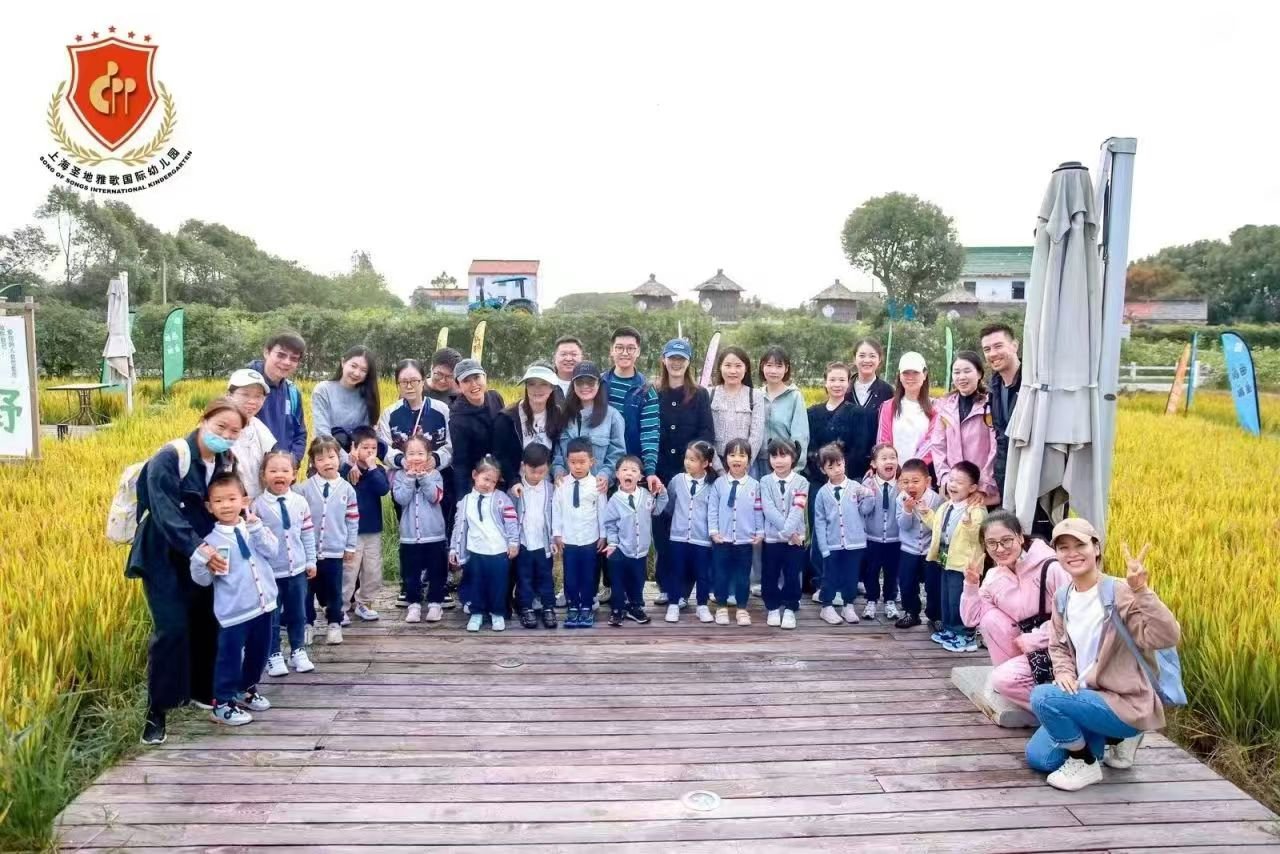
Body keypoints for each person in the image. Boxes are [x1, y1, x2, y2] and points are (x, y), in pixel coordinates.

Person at [1026, 519, 1180, 792]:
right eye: (1063, 548)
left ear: (1096, 548)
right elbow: (1058, 646)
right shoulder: (1063, 596)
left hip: (1125, 701)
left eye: (1080, 545)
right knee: (1040, 758)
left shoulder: (1119, 591)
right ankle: (1111, 740)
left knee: (1043, 697)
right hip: (1087, 696)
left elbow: (1166, 637)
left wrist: (1142, 591)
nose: (1072, 553)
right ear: (1057, 554)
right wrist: (1063, 672)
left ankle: (1085, 761)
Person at [127, 398, 244, 745]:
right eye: (221, 427)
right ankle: (156, 712)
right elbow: (165, 513)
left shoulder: (225, 460)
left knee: (208, 622)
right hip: (164, 556)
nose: (226, 435)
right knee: (172, 630)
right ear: (203, 419)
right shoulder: (170, 457)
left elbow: (227, 500)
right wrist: (198, 548)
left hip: (205, 554)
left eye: (234, 431)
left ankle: (202, 692)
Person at [190, 472, 278, 727]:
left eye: (231, 499)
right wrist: (200, 560)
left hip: (263, 606)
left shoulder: (254, 528)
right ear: (210, 507)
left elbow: (272, 551)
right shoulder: (210, 542)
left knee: (259, 653)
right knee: (228, 659)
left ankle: (245, 688)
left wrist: (257, 529)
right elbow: (202, 581)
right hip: (234, 613)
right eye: (218, 501)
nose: (226, 505)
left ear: (244, 501)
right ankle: (222, 703)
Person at [960, 511, 1067, 710]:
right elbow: (971, 619)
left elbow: (1074, 618)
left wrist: (1037, 639)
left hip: (1059, 649)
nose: (1000, 549)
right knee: (990, 619)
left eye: (1006, 540)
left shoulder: (1051, 568)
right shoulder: (994, 576)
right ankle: (1018, 684)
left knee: (1003, 680)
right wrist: (971, 584)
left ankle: (1062, 712)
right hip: (1027, 650)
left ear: (1020, 537)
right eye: (992, 543)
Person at [653, 338, 714, 607]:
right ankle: (666, 586)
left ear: (689, 362)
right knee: (663, 531)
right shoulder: (653, 392)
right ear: (664, 360)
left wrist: (695, 462)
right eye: (672, 358)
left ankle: (685, 590)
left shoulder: (699, 394)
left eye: (681, 359)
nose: (676, 363)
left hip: (690, 473)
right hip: (660, 473)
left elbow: (706, 432)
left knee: (690, 530)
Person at [252, 449, 316, 679]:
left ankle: (298, 650)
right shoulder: (258, 506)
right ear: (263, 475)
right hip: (270, 572)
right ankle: (274, 654)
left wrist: (311, 560)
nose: (279, 475)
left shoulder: (300, 502)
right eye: (273, 470)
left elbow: (307, 534)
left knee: (298, 612)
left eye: (285, 470)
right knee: (272, 616)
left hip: (297, 570)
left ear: (294, 474)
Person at [294, 436, 359, 646]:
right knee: (307, 590)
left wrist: (350, 546)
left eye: (331, 457)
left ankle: (334, 623)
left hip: (334, 550)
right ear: (313, 462)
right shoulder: (303, 489)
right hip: (308, 552)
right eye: (320, 459)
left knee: (333, 589)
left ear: (339, 457)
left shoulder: (347, 489)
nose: (327, 462)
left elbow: (352, 520)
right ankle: (307, 624)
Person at [805, 361, 861, 593]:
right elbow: (808, 447)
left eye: (842, 380)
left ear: (848, 383)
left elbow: (859, 449)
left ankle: (843, 583)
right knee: (820, 531)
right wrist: (823, 471)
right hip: (818, 482)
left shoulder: (857, 413)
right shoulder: (812, 413)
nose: (837, 384)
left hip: (846, 483)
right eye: (833, 379)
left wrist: (840, 474)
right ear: (825, 382)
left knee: (844, 531)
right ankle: (821, 581)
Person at [449, 456, 520, 633]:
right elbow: (459, 527)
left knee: (498, 584)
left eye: (493, 481)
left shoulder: (501, 499)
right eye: (486, 479)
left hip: (498, 551)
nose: (488, 484)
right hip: (476, 551)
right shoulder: (465, 501)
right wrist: (454, 549)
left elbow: (511, 521)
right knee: (476, 582)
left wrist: (513, 542)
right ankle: (477, 613)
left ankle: (497, 613)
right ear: (475, 475)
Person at [922, 460, 987, 652]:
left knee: (960, 599)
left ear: (972, 488)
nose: (952, 485)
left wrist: (968, 524)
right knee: (947, 598)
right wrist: (925, 513)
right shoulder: (946, 506)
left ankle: (965, 634)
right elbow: (936, 526)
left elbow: (978, 537)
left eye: (959, 482)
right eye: (950, 480)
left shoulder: (976, 510)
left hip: (964, 566)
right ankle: (950, 629)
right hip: (946, 560)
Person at [925, 351, 999, 505]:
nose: (961, 377)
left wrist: (983, 486)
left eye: (967, 371)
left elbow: (995, 448)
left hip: (981, 492)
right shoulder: (945, 406)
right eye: (957, 372)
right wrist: (945, 479)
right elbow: (938, 446)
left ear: (979, 374)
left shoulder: (990, 406)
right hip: (953, 490)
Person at [813, 442, 874, 626]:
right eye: (831, 467)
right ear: (823, 470)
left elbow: (865, 510)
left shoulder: (855, 486)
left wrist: (869, 495)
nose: (837, 470)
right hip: (832, 544)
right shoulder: (822, 493)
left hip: (855, 542)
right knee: (830, 576)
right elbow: (819, 522)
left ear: (844, 462)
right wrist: (823, 547)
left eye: (839, 464)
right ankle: (827, 606)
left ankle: (848, 605)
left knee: (851, 576)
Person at [603, 455, 668, 626]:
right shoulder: (615, 500)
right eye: (624, 470)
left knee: (638, 581)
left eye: (633, 470)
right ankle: (617, 610)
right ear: (617, 474)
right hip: (620, 549)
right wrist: (612, 543)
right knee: (618, 582)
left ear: (640, 477)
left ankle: (635, 607)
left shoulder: (646, 496)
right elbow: (610, 524)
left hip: (640, 550)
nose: (628, 473)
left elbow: (657, 509)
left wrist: (662, 492)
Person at [553, 438, 609, 629]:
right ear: (567, 461)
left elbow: (602, 511)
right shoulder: (561, 484)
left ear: (591, 462)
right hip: (569, 538)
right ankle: (573, 606)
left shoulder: (597, 485)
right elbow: (556, 509)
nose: (577, 466)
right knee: (570, 575)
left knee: (588, 575)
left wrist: (603, 535)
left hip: (589, 538)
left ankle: (586, 606)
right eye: (573, 462)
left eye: (582, 462)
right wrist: (557, 533)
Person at [391, 435, 448, 624]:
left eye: (420, 453)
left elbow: (435, 497)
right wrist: (409, 479)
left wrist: (424, 478)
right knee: (411, 574)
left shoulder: (435, 475)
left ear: (429, 455)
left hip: (434, 536)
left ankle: (435, 604)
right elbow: (401, 499)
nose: (416, 458)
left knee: (437, 571)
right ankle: (413, 604)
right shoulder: (400, 476)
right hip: (409, 537)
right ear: (405, 457)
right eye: (411, 454)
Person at [708, 438, 764, 626]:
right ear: (726, 459)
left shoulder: (754, 485)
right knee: (721, 574)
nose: (737, 459)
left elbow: (758, 510)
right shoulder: (719, 484)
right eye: (732, 455)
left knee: (743, 575)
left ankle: (742, 608)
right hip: (722, 539)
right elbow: (712, 509)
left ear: (749, 459)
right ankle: (721, 607)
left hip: (744, 540)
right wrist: (714, 531)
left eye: (742, 455)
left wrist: (759, 531)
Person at [663, 440, 717, 624]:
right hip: (678, 537)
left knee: (702, 573)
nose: (687, 462)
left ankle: (702, 605)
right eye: (687, 458)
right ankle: (673, 604)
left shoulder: (713, 485)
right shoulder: (677, 481)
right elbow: (670, 506)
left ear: (705, 463)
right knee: (676, 571)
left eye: (693, 460)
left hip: (702, 539)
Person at [603, 326, 661, 493]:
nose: (625, 353)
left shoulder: (645, 390)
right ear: (612, 350)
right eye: (619, 348)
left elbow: (650, 433)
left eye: (630, 348)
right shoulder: (599, 385)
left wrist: (649, 471)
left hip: (631, 469)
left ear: (638, 352)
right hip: (601, 466)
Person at [339, 426, 388, 623]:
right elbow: (338, 485)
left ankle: (364, 603)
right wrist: (349, 465)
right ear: (354, 448)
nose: (369, 452)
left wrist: (373, 468)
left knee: (373, 570)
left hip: (373, 529)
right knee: (349, 571)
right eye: (365, 448)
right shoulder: (347, 470)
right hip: (351, 531)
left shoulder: (378, 471)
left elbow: (383, 489)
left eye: (373, 448)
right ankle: (340, 607)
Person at [759, 438, 808, 630]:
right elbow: (769, 509)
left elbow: (797, 509)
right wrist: (788, 533)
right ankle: (772, 607)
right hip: (772, 539)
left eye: (783, 455)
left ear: (793, 457)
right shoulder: (765, 481)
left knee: (792, 573)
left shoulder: (802, 482)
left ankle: (789, 607)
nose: (778, 460)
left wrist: (789, 534)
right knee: (769, 573)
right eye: (774, 456)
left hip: (795, 540)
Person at [553, 362, 625, 490]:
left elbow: (617, 453)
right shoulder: (563, 415)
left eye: (590, 382)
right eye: (580, 382)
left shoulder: (613, 416)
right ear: (573, 385)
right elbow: (556, 450)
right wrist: (558, 470)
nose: (585, 386)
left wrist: (606, 475)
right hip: (566, 488)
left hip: (597, 488)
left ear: (599, 384)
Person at [494, 362, 564, 491]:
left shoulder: (558, 415)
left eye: (544, 384)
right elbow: (500, 454)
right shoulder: (507, 417)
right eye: (532, 384)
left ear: (552, 387)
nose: (537, 389)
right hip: (517, 487)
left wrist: (557, 475)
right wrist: (513, 480)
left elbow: (560, 449)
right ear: (526, 386)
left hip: (549, 486)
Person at [509, 443, 557, 629]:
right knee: (524, 577)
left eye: (541, 472)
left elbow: (556, 515)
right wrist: (513, 541)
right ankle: (526, 607)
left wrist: (554, 538)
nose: (536, 476)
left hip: (544, 544)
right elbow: (509, 518)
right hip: (524, 543)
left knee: (546, 576)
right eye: (532, 471)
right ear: (523, 466)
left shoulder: (551, 489)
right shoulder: (516, 490)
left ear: (548, 468)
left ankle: (548, 607)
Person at [377, 358, 452, 475]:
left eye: (414, 381)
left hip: (437, 478)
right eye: (404, 382)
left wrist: (435, 459)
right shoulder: (389, 414)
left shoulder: (442, 410)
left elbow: (451, 445)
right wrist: (401, 460)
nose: (409, 386)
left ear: (423, 381)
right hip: (402, 478)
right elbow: (384, 447)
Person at [894, 458, 944, 630]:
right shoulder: (900, 499)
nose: (910, 486)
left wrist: (926, 512)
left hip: (931, 551)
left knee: (933, 585)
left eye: (915, 481)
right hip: (909, 550)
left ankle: (935, 616)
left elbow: (938, 526)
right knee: (907, 583)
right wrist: (907, 510)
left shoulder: (937, 500)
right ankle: (911, 613)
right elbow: (903, 526)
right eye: (905, 482)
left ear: (927, 481)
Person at [448, 359, 505, 501]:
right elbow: (461, 463)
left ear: (485, 377)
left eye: (477, 377)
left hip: (502, 471)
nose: (473, 384)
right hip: (478, 480)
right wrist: (463, 501)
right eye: (466, 381)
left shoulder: (495, 397)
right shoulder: (457, 419)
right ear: (458, 385)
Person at [311, 346, 381, 460]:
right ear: (343, 362)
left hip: (357, 461)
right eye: (353, 366)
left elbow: (366, 436)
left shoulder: (367, 396)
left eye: (363, 370)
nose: (357, 373)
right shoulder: (323, 390)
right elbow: (322, 432)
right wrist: (347, 461)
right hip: (327, 459)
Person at [249, 331, 307, 466]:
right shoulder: (244, 385)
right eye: (281, 355)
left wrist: (292, 462)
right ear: (266, 352)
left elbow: (300, 434)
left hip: (281, 471)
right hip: (249, 469)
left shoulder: (292, 392)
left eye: (294, 359)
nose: (287, 362)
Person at [859, 443, 901, 621]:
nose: (889, 461)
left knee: (892, 571)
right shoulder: (867, 483)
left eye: (893, 457)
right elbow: (863, 510)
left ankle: (890, 600)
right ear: (874, 464)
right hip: (872, 538)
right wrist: (869, 495)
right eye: (884, 458)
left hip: (895, 539)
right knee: (871, 571)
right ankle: (871, 600)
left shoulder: (901, 484)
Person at [876, 351, 937, 473]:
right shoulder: (888, 406)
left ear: (924, 374)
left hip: (920, 474)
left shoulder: (936, 407)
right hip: (892, 474)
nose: (910, 377)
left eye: (915, 372)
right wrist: (892, 466)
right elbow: (883, 442)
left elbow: (933, 443)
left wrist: (911, 470)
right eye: (906, 373)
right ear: (899, 375)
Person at [755, 346, 809, 479]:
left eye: (779, 366)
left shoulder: (794, 397)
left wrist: (795, 468)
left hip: (785, 463)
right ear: (762, 367)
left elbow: (800, 436)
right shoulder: (756, 395)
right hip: (758, 463)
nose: (773, 371)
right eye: (769, 365)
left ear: (786, 369)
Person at [709, 347, 766, 473]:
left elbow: (756, 435)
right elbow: (706, 434)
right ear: (720, 367)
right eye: (728, 365)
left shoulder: (755, 395)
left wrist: (744, 465)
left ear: (746, 368)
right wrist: (719, 469)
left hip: (746, 465)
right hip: (715, 463)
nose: (733, 371)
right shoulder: (709, 394)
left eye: (738, 366)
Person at [981, 323, 1022, 497]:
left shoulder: (1032, 386)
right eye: (987, 349)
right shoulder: (994, 388)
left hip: (1034, 476)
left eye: (998, 346)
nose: (993, 354)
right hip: (1006, 478)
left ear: (1015, 346)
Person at [846, 338, 895, 477]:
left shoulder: (887, 392)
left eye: (872, 356)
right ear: (854, 359)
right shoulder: (844, 389)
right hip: (843, 466)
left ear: (879, 360)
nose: (867, 360)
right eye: (862, 355)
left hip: (875, 468)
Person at [226, 368, 276, 500]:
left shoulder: (260, 428)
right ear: (229, 395)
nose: (252, 401)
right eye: (245, 394)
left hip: (260, 505)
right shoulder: (218, 431)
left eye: (258, 396)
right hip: (231, 506)